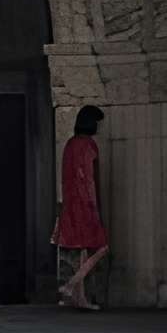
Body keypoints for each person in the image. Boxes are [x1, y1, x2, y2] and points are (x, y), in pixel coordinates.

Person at [53, 105, 108, 311]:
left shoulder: (69, 144)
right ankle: (71, 285)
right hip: (85, 204)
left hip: (70, 203)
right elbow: (88, 179)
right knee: (102, 247)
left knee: (83, 252)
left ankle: (81, 299)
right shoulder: (88, 145)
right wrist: (95, 206)